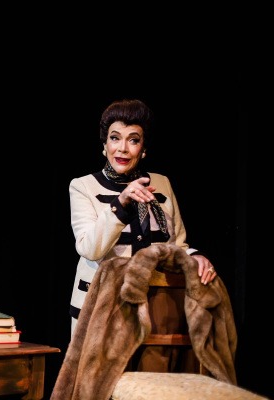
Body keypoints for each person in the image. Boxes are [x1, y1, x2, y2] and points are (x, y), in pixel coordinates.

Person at [68, 98, 218, 372]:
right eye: (115, 138)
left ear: (144, 148)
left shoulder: (161, 183)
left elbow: (176, 243)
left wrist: (195, 256)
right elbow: (89, 248)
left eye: (133, 140)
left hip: (155, 304)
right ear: (104, 144)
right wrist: (121, 203)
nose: (122, 148)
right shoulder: (83, 187)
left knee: (149, 382)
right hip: (101, 306)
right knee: (100, 382)